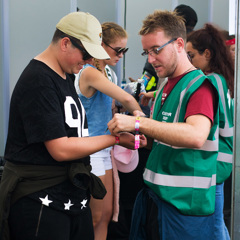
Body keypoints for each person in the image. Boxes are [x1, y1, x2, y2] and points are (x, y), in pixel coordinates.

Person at [0, 12, 147, 240]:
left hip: (67, 198)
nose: (89, 61)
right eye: (86, 54)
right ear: (66, 43)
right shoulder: (39, 79)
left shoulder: (65, 74)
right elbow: (60, 149)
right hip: (41, 200)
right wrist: (115, 139)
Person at [107, 10, 220, 239]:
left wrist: (138, 122)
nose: (150, 59)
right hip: (157, 201)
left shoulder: (199, 86)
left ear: (179, 44)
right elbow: (160, 139)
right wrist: (134, 138)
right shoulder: (165, 87)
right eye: (146, 52)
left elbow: (196, 135)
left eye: (156, 50)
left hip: (184, 209)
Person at [74, 21, 144, 240]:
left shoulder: (110, 75)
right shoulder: (88, 72)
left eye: (125, 50)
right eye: (118, 49)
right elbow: (125, 97)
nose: (121, 55)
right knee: (94, 218)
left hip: (106, 149)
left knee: (106, 216)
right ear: (100, 45)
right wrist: (141, 122)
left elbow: (118, 103)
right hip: (90, 150)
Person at [186, 23, 234, 239]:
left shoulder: (210, 81)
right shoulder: (222, 78)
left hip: (214, 161)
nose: (189, 61)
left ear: (207, 53)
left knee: (215, 225)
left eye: (192, 55)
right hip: (221, 161)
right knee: (217, 222)